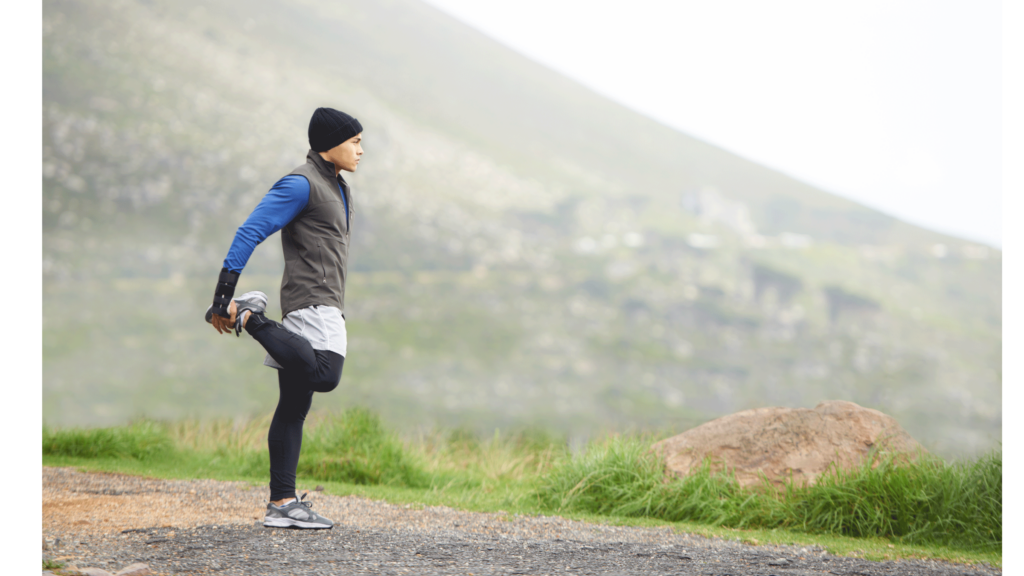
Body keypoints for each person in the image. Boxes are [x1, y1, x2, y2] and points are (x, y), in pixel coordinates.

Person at [205, 107, 364, 529]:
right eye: (355, 141)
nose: (361, 149)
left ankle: (282, 503)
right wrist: (223, 297)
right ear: (330, 144)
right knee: (327, 375)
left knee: (293, 408)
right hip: (313, 305)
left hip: (316, 302)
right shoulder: (301, 183)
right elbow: (250, 230)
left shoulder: (337, 187)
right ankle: (251, 318)